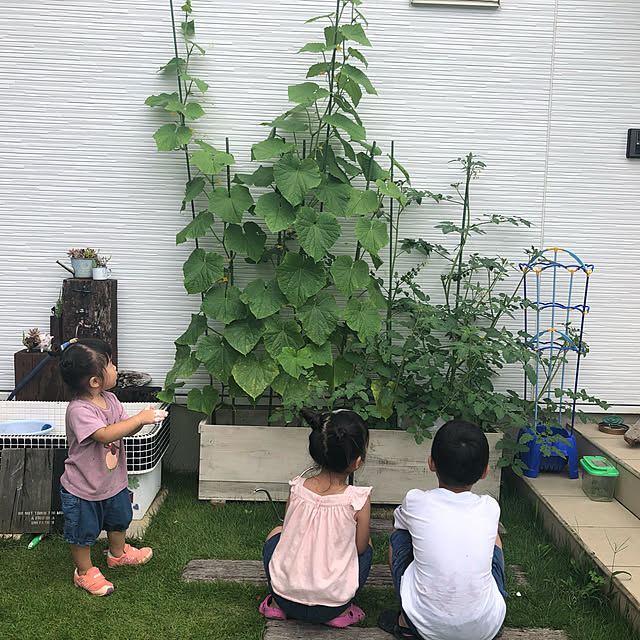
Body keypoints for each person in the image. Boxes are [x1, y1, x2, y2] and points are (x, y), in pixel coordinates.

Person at [57, 338, 167, 596]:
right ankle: (84, 572)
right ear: (95, 381)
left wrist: (142, 420)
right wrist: (138, 419)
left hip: (112, 482)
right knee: (82, 532)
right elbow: (105, 435)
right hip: (82, 488)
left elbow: (122, 428)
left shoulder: (111, 400)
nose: (116, 368)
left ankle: (118, 553)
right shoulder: (79, 410)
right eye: (110, 364)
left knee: (119, 520)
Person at [379, 419, 507, 640]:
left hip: (422, 624)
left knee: (399, 536)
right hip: (486, 628)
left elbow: (397, 523)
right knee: (493, 539)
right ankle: (480, 615)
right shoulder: (489, 507)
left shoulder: (416, 500)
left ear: (431, 463)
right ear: (485, 471)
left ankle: (405, 622)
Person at [259, 408, 373, 627]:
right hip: (333, 605)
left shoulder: (297, 488)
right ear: (357, 461)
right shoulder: (358, 499)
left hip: (286, 597)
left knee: (276, 534)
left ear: (316, 452)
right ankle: (344, 611)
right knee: (366, 544)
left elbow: (290, 532)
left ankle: (275, 605)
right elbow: (359, 549)